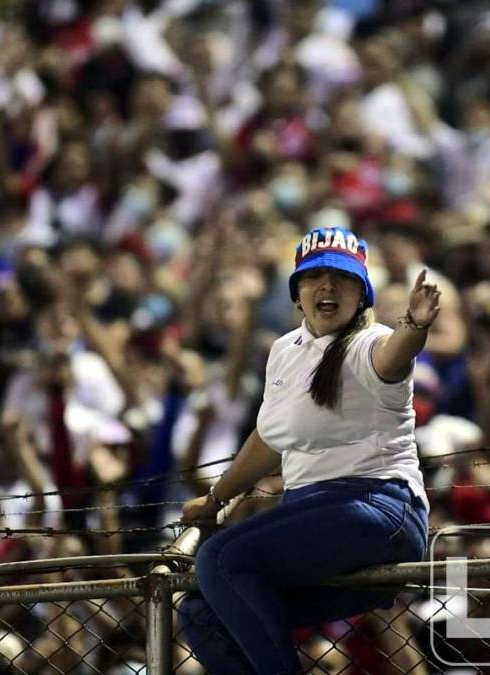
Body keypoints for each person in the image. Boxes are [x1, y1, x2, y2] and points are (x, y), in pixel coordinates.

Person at [178, 226, 439, 674]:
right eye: (313, 275)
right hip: (316, 529)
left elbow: (394, 354)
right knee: (200, 615)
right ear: (297, 293)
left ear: (362, 294)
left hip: (378, 511)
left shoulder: (366, 344)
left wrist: (414, 326)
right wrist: (218, 498)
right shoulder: (284, 351)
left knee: (220, 558)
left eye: (342, 277)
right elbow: (267, 440)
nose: (327, 286)